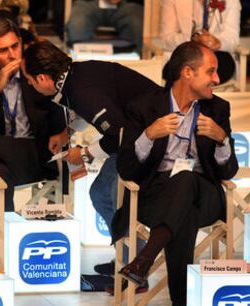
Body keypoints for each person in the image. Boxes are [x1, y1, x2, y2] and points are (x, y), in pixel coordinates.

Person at [22, 40, 160, 291]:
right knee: (101, 194)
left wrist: (84, 154)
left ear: (42, 78)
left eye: (29, 80)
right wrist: (68, 132)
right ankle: (128, 257)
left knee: (110, 196)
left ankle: (136, 267)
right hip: (138, 134)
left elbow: (119, 135)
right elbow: (99, 112)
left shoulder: (82, 90)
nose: (29, 84)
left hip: (154, 141)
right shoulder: (76, 75)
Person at [116, 41, 238, 306]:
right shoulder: (144, 107)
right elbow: (125, 169)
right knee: (184, 213)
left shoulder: (217, 109)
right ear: (187, 72)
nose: (217, 79)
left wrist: (222, 139)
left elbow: (229, 170)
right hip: (156, 195)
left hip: (204, 192)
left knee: (186, 180)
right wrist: (149, 135)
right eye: (211, 71)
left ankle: (143, 259)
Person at [0, 18, 65, 211]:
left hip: (35, 154)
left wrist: (63, 135)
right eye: (2, 50)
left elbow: (57, 112)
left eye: (15, 46)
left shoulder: (38, 67)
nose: (12, 55)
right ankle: (3, 228)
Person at [160, 0, 241, 84]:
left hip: (218, 55)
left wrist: (217, 43)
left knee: (220, 64)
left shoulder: (231, 1)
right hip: (183, 54)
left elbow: (233, 39)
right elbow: (166, 39)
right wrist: (192, 39)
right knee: (182, 68)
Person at [66, 0, 144, 51]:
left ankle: (131, 66)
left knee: (135, 24)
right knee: (78, 24)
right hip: (88, 2)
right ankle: (82, 66)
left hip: (128, 5)